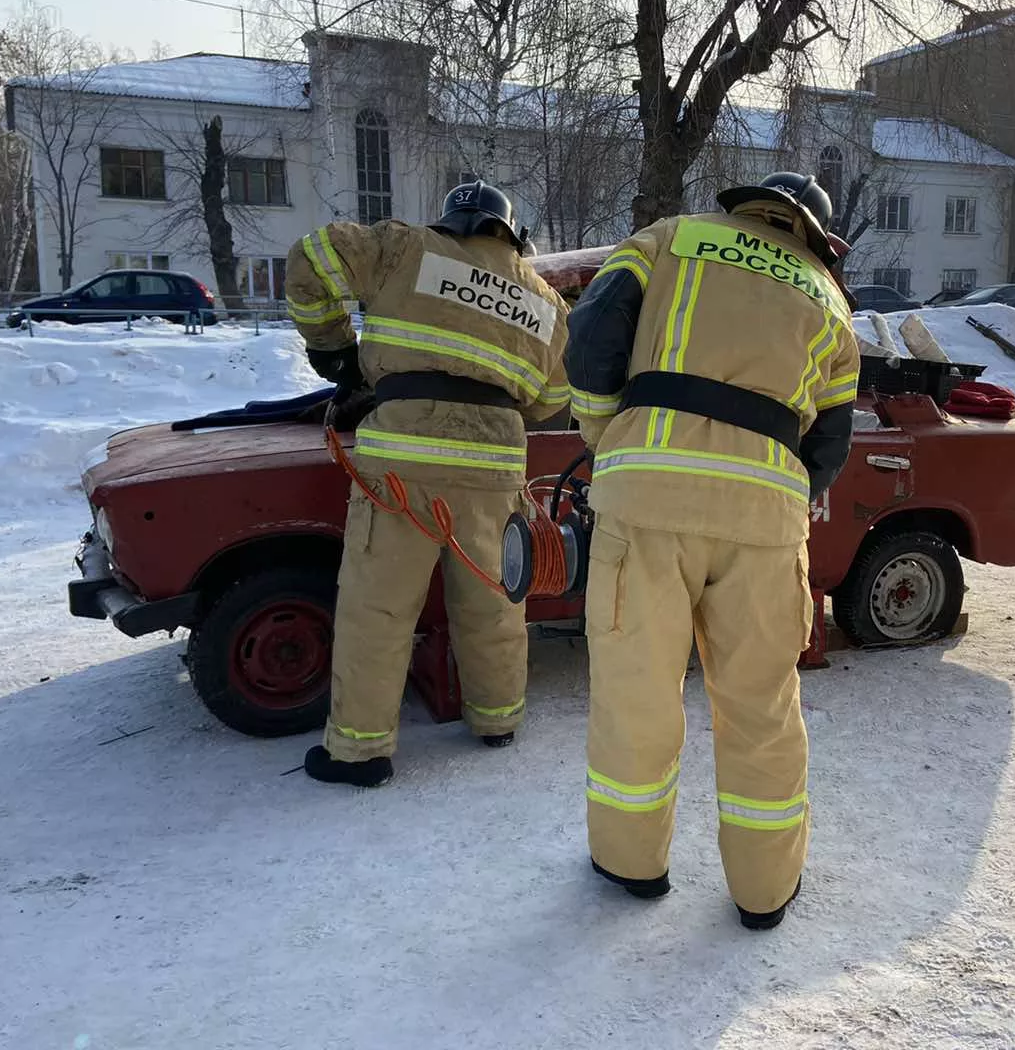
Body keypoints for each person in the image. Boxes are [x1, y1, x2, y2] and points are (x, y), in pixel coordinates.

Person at [565, 172, 860, 929]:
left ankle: (631, 863)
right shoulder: (830, 297)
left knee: (636, 693)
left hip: (647, 498)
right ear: (812, 233)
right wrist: (779, 490)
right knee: (762, 707)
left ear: (748, 206)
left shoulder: (669, 238)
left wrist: (607, 434)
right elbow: (829, 441)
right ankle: (765, 891)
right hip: (765, 523)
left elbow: (593, 336)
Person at [286, 181, 571, 787]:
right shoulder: (544, 298)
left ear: (450, 222)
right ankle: (497, 719)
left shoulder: (403, 248)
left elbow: (312, 260)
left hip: (402, 463)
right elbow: (551, 401)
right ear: (510, 233)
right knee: (494, 601)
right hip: (495, 467)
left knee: (379, 607)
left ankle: (360, 753)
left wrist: (336, 352)